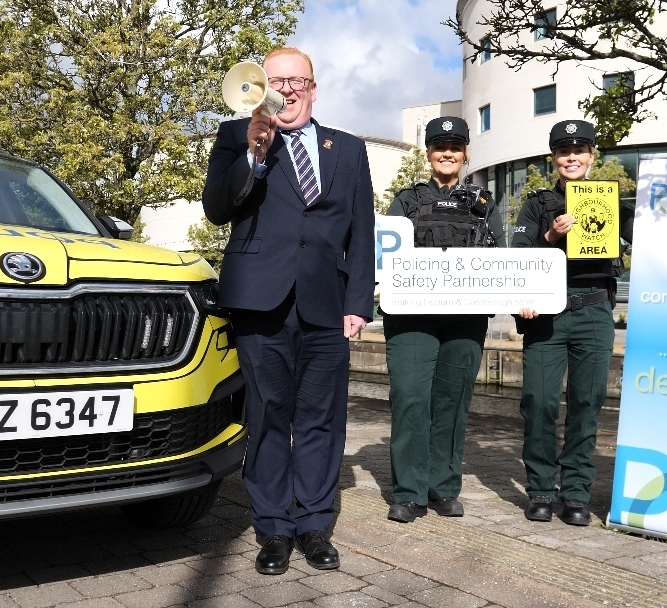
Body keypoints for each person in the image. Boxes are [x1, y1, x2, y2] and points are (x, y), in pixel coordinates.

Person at [201, 47, 375, 574]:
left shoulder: (348, 148)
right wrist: (254, 155)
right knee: (269, 414)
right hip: (260, 300)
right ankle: (274, 527)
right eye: (276, 81)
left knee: (321, 419)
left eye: (298, 80)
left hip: (327, 304)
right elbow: (216, 209)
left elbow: (361, 230)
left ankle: (315, 524)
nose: (288, 90)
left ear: (313, 88)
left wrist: (358, 302)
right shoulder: (236, 135)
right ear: (260, 87)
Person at [383, 117, 505, 523]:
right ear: (429, 153)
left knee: (452, 402)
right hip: (411, 319)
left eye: (455, 147)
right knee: (410, 398)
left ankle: (444, 487)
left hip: (464, 319)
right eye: (439, 147)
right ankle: (409, 492)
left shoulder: (484, 204)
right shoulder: (406, 201)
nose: (447, 153)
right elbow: (384, 254)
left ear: (466, 153)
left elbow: (501, 259)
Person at [512, 120, 630, 526]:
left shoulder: (613, 200)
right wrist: (550, 236)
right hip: (546, 314)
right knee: (539, 402)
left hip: (594, 311)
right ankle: (541, 490)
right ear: (554, 159)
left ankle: (576, 492)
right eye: (564, 152)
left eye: (579, 151)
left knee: (586, 404)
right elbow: (518, 255)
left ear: (591, 156)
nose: (572, 158)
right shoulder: (537, 204)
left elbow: (652, 236)